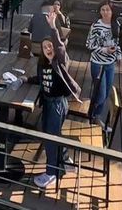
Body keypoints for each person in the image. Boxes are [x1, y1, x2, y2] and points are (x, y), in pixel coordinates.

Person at [24, 38, 82, 190]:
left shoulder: (59, 63)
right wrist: (27, 79)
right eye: (45, 47)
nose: (48, 49)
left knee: (51, 140)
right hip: (48, 104)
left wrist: (53, 28)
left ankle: (52, 173)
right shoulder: (43, 64)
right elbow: (42, 79)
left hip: (58, 104)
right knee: (53, 134)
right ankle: (65, 160)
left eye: (50, 46)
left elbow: (61, 49)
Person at [85, 2, 121, 131]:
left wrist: (119, 55)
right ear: (100, 11)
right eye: (103, 10)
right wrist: (105, 50)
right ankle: (93, 115)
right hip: (98, 63)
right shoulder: (96, 26)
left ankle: (95, 116)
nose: (105, 12)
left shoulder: (116, 25)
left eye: (108, 10)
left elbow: (117, 43)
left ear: (112, 11)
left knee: (106, 94)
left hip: (110, 64)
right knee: (100, 94)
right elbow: (89, 45)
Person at [29, 0, 68, 64]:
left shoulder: (34, 16)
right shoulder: (53, 19)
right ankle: (61, 61)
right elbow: (61, 35)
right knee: (65, 41)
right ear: (50, 8)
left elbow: (29, 31)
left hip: (34, 47)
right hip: (48, 49)